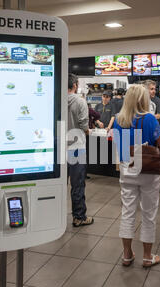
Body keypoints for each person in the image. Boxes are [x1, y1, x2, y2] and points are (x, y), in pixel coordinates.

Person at [112, 84, 160, 268]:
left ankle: (127, 255)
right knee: (149, 214)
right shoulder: (150, 119)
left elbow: (117, 144)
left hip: (127, 168)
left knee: (127, 212)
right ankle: (147, 256)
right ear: (144, 100)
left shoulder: (119, 119)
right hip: (148, 171)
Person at [67, 73, 94, 227]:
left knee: (59, 183)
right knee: (77, 184)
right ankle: (79, 217)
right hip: (76, 148)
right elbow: (84, 125)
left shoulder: (57, 99)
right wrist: (88, 131)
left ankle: (53, 217)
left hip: (60, 146)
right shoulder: (80, 101)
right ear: (75, 85)